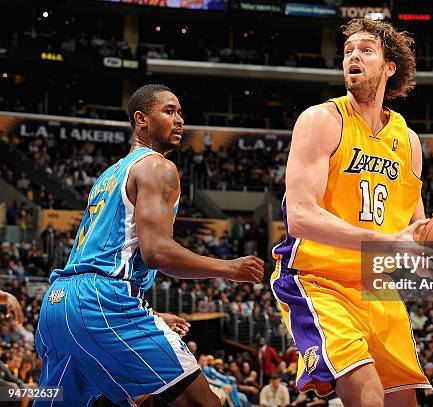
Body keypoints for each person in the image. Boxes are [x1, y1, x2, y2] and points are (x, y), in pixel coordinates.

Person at [271, 18, 433, 406]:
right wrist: (387, 242)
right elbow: (300, 217)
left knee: (403, 401)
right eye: (348, 51)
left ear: (390, 67)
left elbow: (417, 238)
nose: (353, 56)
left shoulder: (408, 142)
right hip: (317, 279)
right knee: (368, 393)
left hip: (376, 287)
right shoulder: (322, 120)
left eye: (366, 50)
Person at [34, 84, 264, 407]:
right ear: (141, 119)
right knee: (204, 403)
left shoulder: (108, 176)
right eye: (169, 111)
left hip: (58, 303)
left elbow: (98, 261)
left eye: (181, 112)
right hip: (103, 303)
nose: (180, 119)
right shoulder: (157, 166)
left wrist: (151, 316)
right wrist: (228, 268)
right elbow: (156, 252)